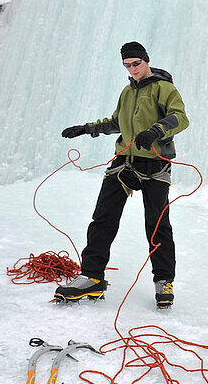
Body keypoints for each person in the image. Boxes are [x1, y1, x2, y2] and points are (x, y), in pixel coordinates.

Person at [56, 41, 189, 309]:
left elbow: (180, 118)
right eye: (127, 66)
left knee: (157, 224)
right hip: (124, 162)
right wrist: (85, 129)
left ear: (146, 60)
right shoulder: (127, 92)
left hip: (155, 165)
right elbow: (116, 122)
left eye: (136, 64)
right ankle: (92, 277)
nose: (132, 69)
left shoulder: (165, 88)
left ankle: (164, 281)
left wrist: (156, 130)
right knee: (103, 218)